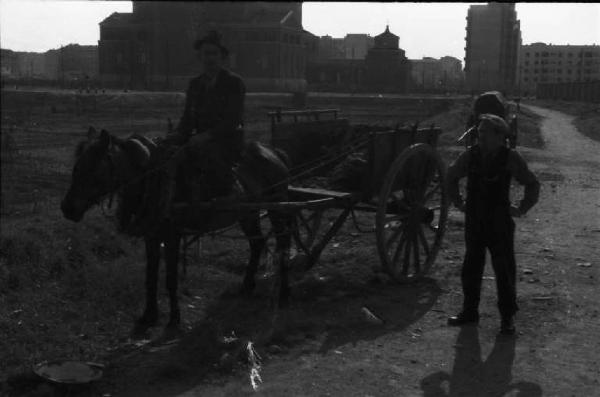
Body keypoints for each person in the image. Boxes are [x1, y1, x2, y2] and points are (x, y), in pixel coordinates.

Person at [135, 30, 245, 232]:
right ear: (200, 57)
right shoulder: (195, 84)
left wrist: (206, 136)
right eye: (206, 54)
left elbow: (233, 120)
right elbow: (187, 120)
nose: (209, 58)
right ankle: (161, 207)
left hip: (226, 141)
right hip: (198, 140)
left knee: (198, 156)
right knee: (162, 154)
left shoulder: (234, 83)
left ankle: (214, 198)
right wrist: (174, 136)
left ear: (222, 57)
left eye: (214, 54)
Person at [446, 113, 540, 335]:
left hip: (499, 221)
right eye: (479, 133)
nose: (481, 137)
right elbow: (451, 176)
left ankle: (507, 319)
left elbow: (532, 183)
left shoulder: (510, 157)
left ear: (500, 136)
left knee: (504, 270)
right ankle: (469, 312)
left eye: (485, 133)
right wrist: (458, 203)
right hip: (475, 220)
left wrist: (521, 208)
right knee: (471, 267)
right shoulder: (470, 156)